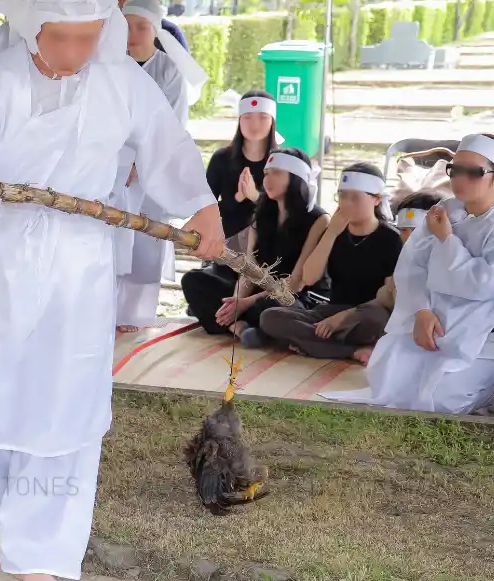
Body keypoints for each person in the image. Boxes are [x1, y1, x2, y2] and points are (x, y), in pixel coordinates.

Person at [0, 0, 224, 581]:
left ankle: (39, 543)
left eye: (86, 37)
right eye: (60, 38)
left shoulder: (122, 83)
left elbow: (166, 146)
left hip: (77, 262)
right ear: (34, 29)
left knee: (63, 397)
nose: (74, 51)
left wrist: (202, 206)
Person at [322, 134, 494, 415]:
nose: (460, 179)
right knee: (389, 376)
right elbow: (412, 267)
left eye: (473, 172)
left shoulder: (455, 226)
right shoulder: (444, 212)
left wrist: (447, 241)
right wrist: (421, 311)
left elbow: (484, 284)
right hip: (434, 322)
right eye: (455, 170)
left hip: (480, 334)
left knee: (442, 400)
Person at [111, 0, 208, 331]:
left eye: (141, 26)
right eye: (127, 26)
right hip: (109, 167)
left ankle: (134, 317)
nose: (132, 34)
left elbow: (170, 126)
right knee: (107, 239)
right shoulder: (106, 65)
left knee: (144, 245)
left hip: (149, 172)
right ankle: (102, 311)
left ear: (155, 30)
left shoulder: (168, 72)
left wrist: (139, 162)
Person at [258, 163, 403, 362]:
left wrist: (344, 319)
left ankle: (312, 343)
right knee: (270, 317)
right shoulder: (334, 232)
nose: (346, 203)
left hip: (367, 314)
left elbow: (390, 297)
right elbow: (309, 278)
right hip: (331, 310)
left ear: (377, 199)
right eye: (342, 196)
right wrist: (331, 234)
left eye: (355, 197)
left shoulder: (391, 239)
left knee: (377, 321)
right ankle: (351, 350)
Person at [182, 148, 326, 344]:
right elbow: (248, 268)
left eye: (276, 173)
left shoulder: (319, 219)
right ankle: (238, 327)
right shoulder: (262, 215)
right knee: (193, 280)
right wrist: (235, 302)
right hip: (257, 294)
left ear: (296, 177)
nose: (268, 180)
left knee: (272, 308)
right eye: (266, 174)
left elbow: (296, 283)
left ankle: (243, 326)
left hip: (292, 298)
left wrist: (245, 304)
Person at [204, 92, 280, 254]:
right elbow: (205, 208)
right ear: (239, 120)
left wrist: (256, 197)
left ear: (272, 121)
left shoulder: (282, 162)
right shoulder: (221, 159)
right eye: (247, 117)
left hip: (269, 248)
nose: (255, 124)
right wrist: (237, 197)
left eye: (262, 117)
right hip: (226, 246)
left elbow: (289, 212)